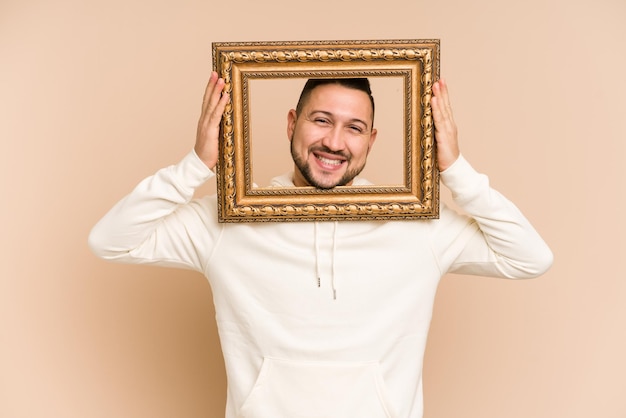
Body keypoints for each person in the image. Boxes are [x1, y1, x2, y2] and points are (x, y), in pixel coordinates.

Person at [89, 72, 553, 418]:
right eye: (321, 120)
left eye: (354, 128)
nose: (334, 142)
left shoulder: (416, 225)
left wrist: (456, 172)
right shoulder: (229, 218)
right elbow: (110, 241)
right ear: (293, 122)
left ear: (371, 141)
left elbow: (530, 257)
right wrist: (195, 166)